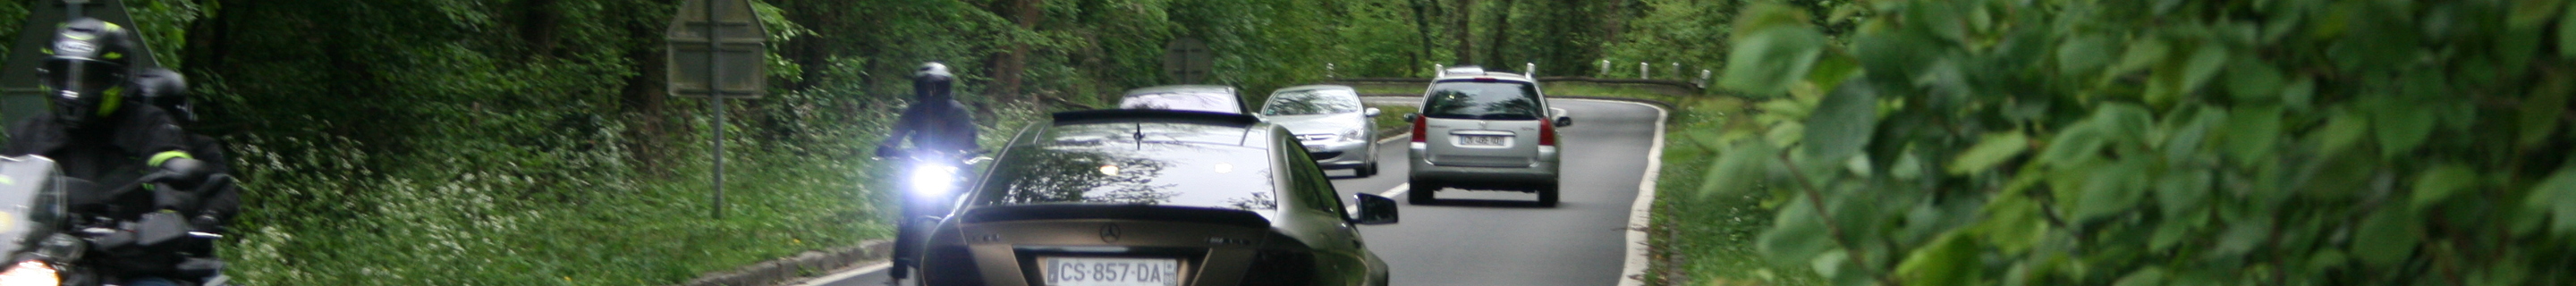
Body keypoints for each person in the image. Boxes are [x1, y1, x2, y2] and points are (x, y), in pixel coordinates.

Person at [2, 18, 217, 286]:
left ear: (119, 79)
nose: (74, 91)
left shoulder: (148, 124)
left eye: (90, 78)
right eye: (62, 75)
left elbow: (171, 164)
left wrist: (167, 213)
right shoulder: (30, 131)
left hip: (129, 261)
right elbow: (8, 185)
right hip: (43, 258)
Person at [878, 63, 979, 283]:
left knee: (967, 212)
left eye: (937, 87)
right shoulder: (913, 111)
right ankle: (896, 274)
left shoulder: (958, 111)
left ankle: (970, 262)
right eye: (926, 87)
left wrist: (963, 155)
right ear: (918, 89)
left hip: (952, 169)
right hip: (920, 168)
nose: (931, 92)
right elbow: (897, 133)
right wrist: (889, 147)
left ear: (947, 87)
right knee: (907, 216)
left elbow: (965, 141)